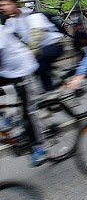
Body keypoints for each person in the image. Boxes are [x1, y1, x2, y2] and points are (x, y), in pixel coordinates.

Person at [0, 21, 46, 166]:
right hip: (8, 71)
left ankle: (39, 146)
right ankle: (9, 117)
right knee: (11, 105)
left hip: (22, 69)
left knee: (28, 111)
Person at [0, 0, 65, 92]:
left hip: (53, 45)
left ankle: (51, 91)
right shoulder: (10, 22)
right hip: (37, 48)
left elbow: (37, 35)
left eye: (5, 4)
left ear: (15, 4)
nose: (2, 8)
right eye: (0, 6)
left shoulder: (32, 15)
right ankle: (51, 73)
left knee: (37, 63)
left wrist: (32, 52)